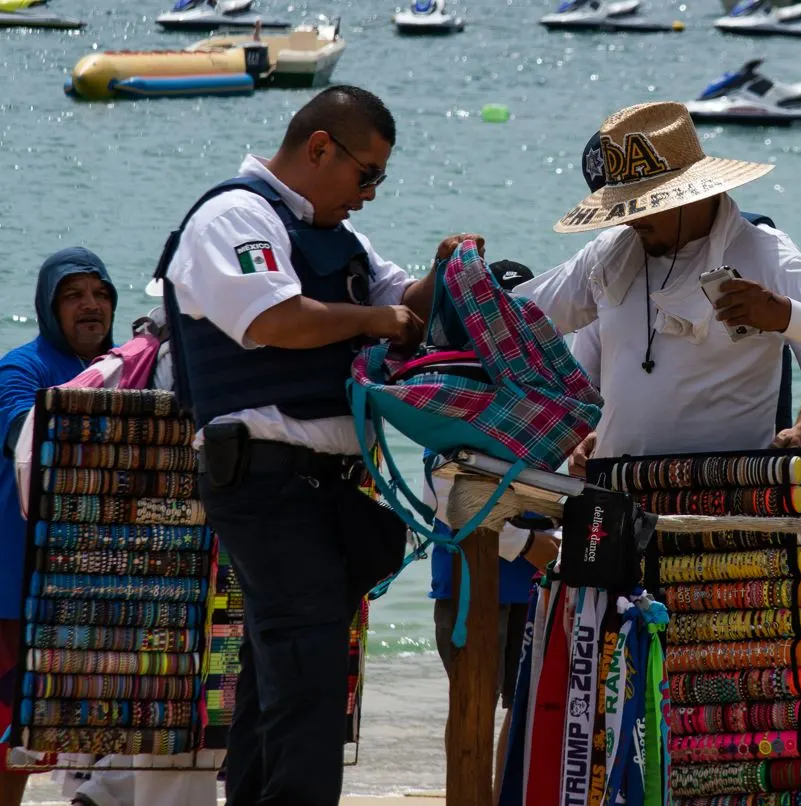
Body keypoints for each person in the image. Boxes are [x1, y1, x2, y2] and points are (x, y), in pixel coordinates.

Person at [160, 84, 482, 806]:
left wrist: (449, 266)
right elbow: (277, 318)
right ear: (318, 148)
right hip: (266, 480)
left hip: (320, 486)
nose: (369, 195)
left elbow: (409, 307)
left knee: (279, 680)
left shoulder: (340, 239)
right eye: (366, 175)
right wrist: (382, 321)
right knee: (306, 683)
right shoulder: (233, 216)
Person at [513, 101, 801, 471]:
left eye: (645, 204)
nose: (632, 219)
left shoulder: (764, 253)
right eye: (626, 206)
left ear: (692, 192)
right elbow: (522, 319)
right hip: (615, 490)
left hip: (721, 497)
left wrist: (783, 315)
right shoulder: (609, 254)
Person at [425, 259, 560, 804]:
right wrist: (529, 544)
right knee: (472, 701)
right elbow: (447, 499)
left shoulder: (532, 399)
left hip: (529, 585)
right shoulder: (457, 396)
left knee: (521, 704)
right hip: (469, 586)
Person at [0, 247, 117, 806]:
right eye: (73, 296)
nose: (90, 306)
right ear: (49, 308)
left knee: (93, 739)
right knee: (8, 747)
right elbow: (23, 429)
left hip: (90, 588)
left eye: (100, 293)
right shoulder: (22, 367)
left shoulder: (127, 367)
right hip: (16, 589)